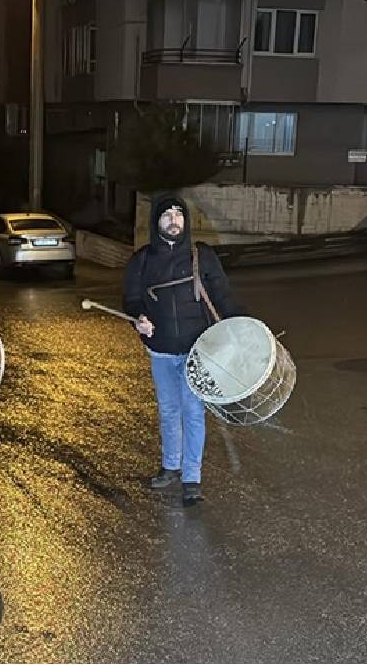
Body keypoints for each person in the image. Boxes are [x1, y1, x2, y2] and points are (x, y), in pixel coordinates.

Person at [123, 195, 241, 506]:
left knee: (192, 412)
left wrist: (241, 331)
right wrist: (139, 319)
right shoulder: (142, 260)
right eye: (167, 215)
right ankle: (170, 467)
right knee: (168, 412)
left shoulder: (201, 255)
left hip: (196, 350)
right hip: (160, 350)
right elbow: (132, 300)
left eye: (179, 215)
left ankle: (192, 478)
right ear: (156, 222)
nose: (174, 220)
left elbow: (223, 296)